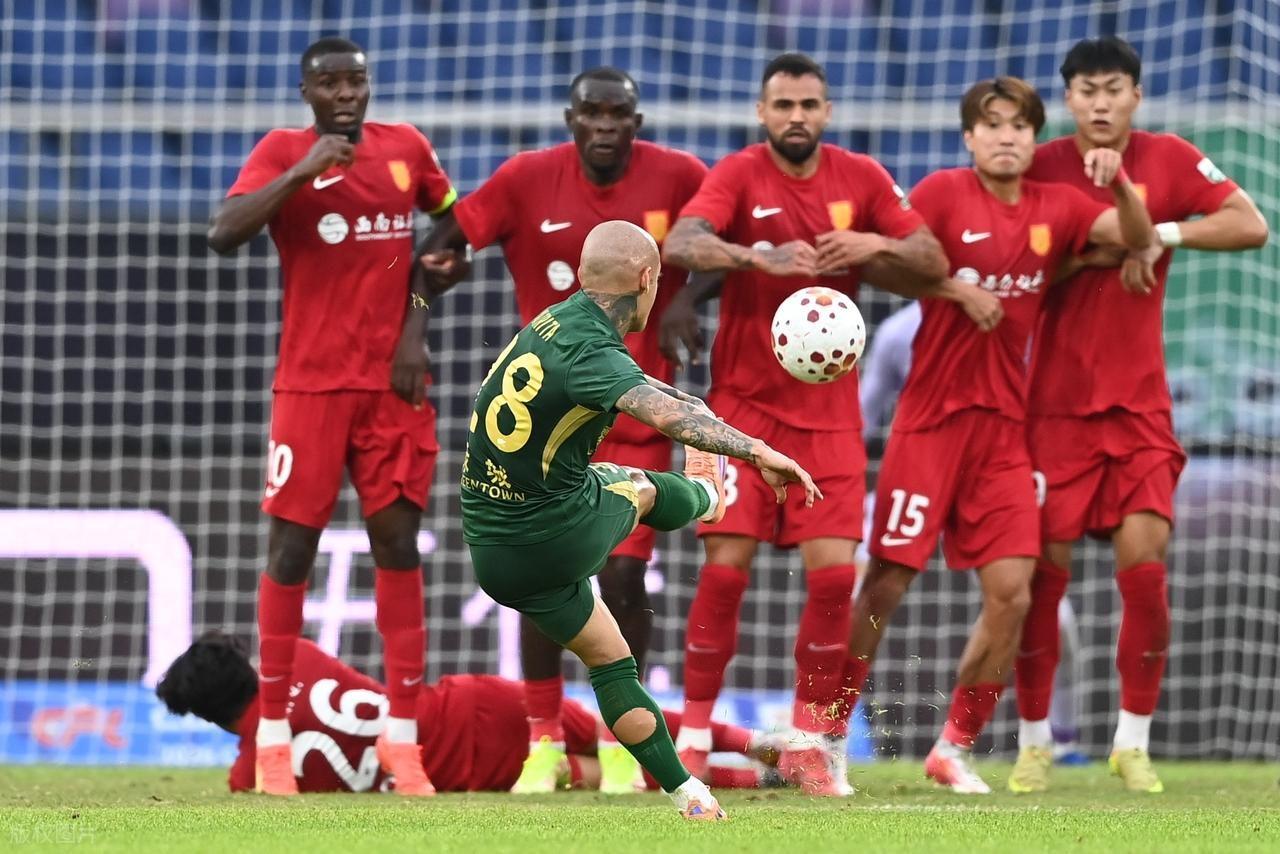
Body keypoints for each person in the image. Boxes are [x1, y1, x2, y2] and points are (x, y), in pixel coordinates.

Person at [824, 76, 1153, 794]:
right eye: (992, 124)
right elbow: (887, 262)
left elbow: (1138, 238)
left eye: (1019, 125)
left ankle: (953, 747)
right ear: (969, 137)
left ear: (1034, 138)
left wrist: (1121, 183)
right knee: (885, 582)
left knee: (1014, 592)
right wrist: (955, 289)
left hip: (1004, 435)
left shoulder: (1058, 207)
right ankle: (827, 732)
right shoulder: (942, 193)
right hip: (929, 425)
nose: (1006, 136)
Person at [412, 67, 711, 794]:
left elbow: (718, 239)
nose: (605, 125)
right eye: (592, 113)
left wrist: (690, 296)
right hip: (549, 420)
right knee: (543, 577)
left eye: (619, 114)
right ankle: (543, 739)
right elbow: (442, 242)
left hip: (636, 407)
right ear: (572, 120)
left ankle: (617, 750)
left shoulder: (680, 176)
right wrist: (428, 291)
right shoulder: (525, 178)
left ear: (637, 122)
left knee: (626, 575)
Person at [461, 220, 820, 820]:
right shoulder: (594, 353)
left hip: (492, 552)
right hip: (552, 532)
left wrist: (690, 403)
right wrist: (756, 451)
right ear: (648, 279)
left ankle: (690, 794)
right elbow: (662, 416)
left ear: (583, 274)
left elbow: (641, 387)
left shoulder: (553, 322)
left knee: (610, 660)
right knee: (638, 484)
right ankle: (707, 496)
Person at [659, 52, 948, 795]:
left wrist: (876, 244)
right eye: (783, 105)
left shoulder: (862, 178)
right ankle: (692, 741)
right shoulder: (738, 174)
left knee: (833, 582)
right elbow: (680, 243)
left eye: (809, 104)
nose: (796, 117)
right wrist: (756, 257)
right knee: (724, 573)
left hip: (831, 423)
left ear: (827, 111)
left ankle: (809, 744)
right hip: (740, 416)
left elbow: (931, 258)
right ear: (762, 111)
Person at [1011, 37, 1268, 794]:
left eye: (1114, 89)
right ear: (1068, 99)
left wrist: (1163, 235)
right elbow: (1015, 260)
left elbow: (1250, 224)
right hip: (1054, 412)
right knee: (1042, 582)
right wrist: (1098, 252)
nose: (1100, 103)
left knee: (1146, 576)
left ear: (1136, 96)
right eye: (1087, 90)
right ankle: (1034, 742)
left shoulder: (1170, 158)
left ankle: (1133, 741)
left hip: (1141, 412)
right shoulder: (1040, 165)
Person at [206, 37, 460, 797]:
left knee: (399, 545)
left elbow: (453, 231)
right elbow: (223, 232)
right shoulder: (283, 152)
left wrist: (414, 324)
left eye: (356, 81)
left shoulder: (407, 148)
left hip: (393, 387)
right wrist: (302, 172)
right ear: (307, 92)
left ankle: (403, 740)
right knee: (291, 552)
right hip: (310, 388)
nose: (346, 94)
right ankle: (273, 739)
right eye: (330, 83)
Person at [155, 632, 782, 794]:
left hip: (462, 770)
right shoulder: (294, 655)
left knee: (592, 777)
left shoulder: (252, 774)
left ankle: (760, 780)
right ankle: (756, 743)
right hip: (470, 704)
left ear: (209, 716)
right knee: (611, 726)